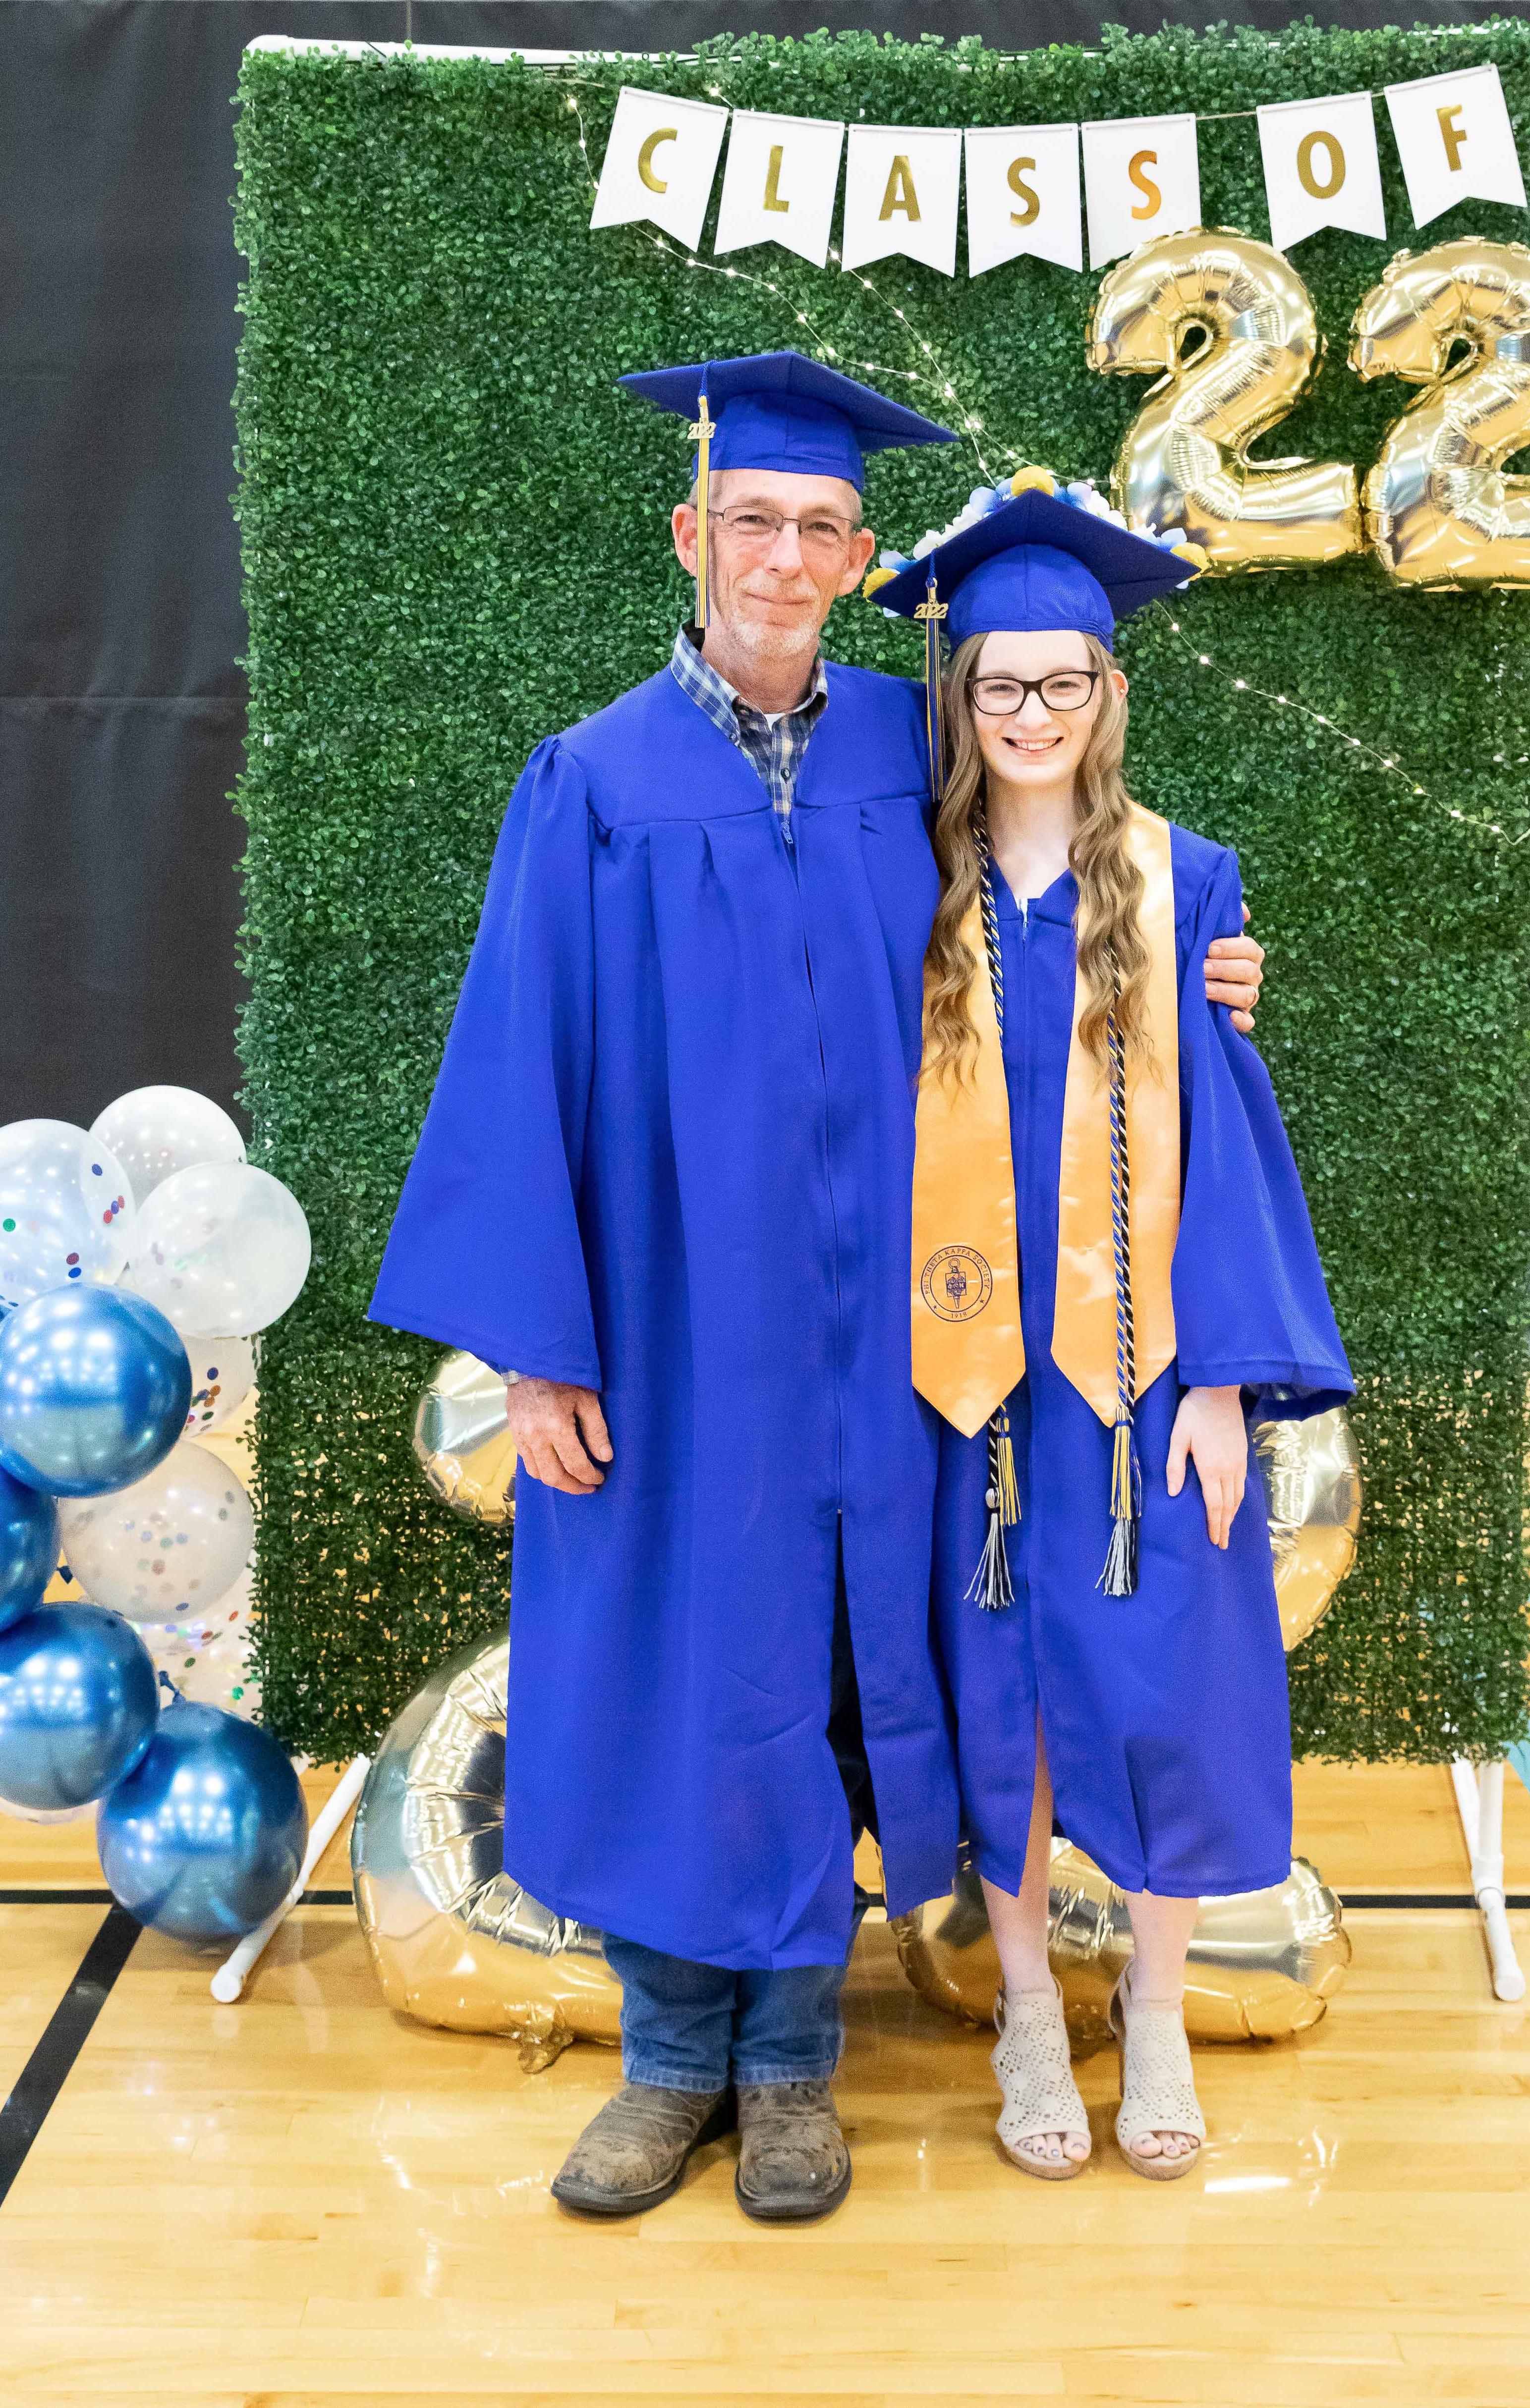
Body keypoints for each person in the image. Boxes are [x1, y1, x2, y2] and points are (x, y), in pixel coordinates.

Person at [369, 362, 1269, 2225]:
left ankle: (790, 2066)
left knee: (828, 1675)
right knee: (673, 1669)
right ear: (693, 539)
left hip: (893, 1340)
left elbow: (1054, 927)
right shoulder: (596, 780)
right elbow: (511, 1059)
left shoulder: (905, 760)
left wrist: (1206, 972)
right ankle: (667, 2058)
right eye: (751, 522)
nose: (784, 555)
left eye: (820, 528)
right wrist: (537, 1346)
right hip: (675, 1330)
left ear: (863, 565)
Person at [878, 480, 1351, 2186]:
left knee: (1151, 1687)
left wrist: (1221, 1377)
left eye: (1059, 683)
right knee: (993, 1697)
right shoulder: (899, 882)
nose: (1027, 716)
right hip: (950, 1381)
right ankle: (1022, 2011)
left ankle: (1149, 2012)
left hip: (1129, 1378)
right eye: (996, 686)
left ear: (1105, 694)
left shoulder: (1180, 879)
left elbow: (1224, 1141)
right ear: (958, 697)